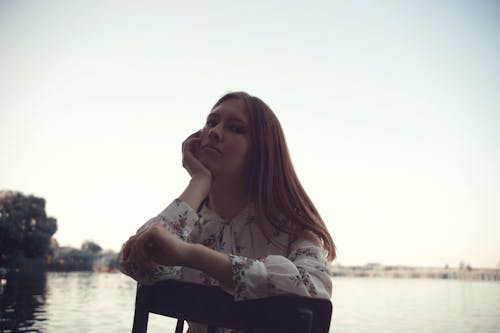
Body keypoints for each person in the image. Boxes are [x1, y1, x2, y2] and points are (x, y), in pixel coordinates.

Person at [120, 91, 336, 330]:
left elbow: (315, 287)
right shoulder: (192, 224)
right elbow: (135, 261)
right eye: (211, 122)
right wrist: (199, 181)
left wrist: (193, 256)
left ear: (262, 150)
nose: (214, 132)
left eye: (236, 128)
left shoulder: (289, 226)